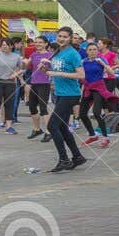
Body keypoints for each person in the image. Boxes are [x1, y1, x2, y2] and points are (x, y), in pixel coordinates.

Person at [44, 28, 88, 172]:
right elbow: (57, 70)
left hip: (70, 94)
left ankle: (64, 159)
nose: (61, 38)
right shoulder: (58, 52)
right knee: (62, 127)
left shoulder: (73, 54)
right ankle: (77, 156)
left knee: (52, 126)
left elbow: (81, 75)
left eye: (65, 37)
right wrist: (47, 67)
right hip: (61, 93)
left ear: (70, 38)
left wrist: (56, 73)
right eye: (59, 36)